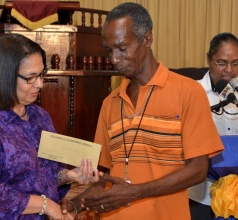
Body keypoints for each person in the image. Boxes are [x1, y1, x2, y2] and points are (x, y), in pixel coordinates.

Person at [68, 2, 224, 220]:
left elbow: (198, 169)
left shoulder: (188, 92)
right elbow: (106, 176)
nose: (114, 59)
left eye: (122, 48)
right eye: (109, 50)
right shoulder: (110, 102)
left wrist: (136, 192)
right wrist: (74, 205)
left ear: (147, 39)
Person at [0, 33, 99, 220]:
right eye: (31, 77)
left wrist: (67, 176)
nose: (40, 84)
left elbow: (43, 175)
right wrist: (46, 206)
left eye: (41, 75)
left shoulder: (39, 117)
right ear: (4, 77)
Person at [188, 32, 238, 220]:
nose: (229, 70)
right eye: (222, 62)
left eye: (235, 63)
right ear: (209, 59)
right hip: (201, 196)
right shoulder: (193, 92)